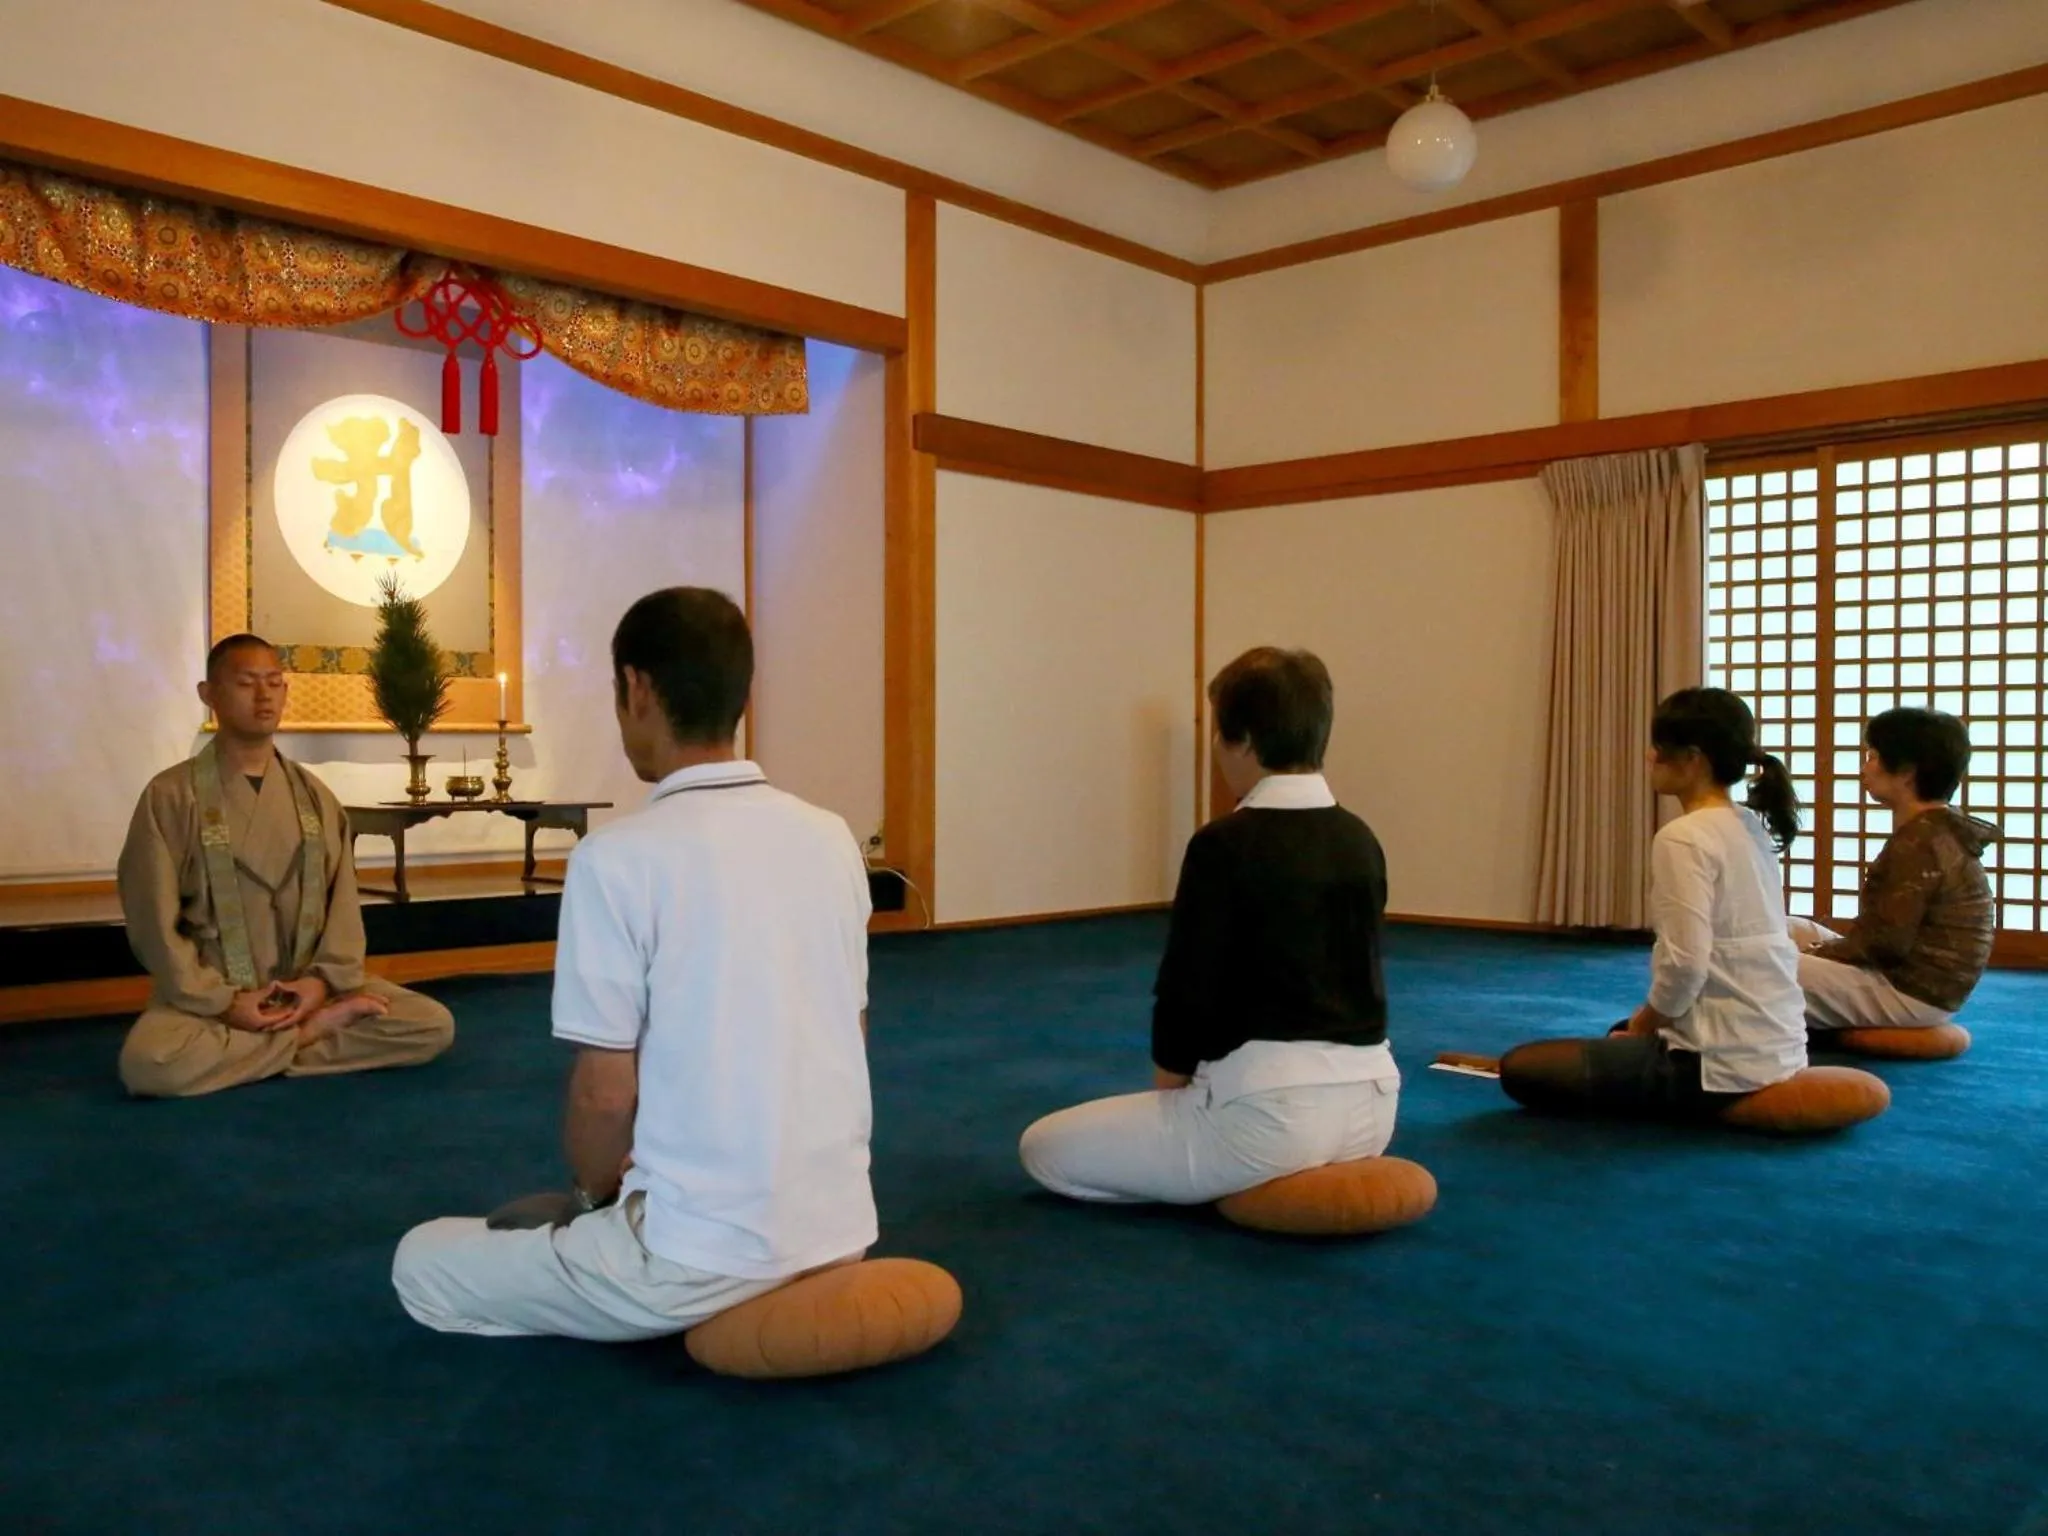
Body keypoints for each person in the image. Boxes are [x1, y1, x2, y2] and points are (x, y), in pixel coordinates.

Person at [391, 587, 875, 1340]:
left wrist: (589, 1200)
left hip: (688, 1256)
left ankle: (681, 1283)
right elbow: (852, 1033)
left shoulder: (615, 860)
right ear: (741, 692)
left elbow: (605, 1098)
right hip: (842, 1231)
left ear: (637, 689)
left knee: (419, 1261)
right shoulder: (832, 837)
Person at [1018, 646, 1400, 1206]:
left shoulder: (1224, 844)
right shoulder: (1361, 839)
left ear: (1243, 740)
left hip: (1268, 1119)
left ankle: (1231, 1179)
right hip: (1374, 1113)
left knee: (1043, 1148)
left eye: (1220, 735)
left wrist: (1175, 1098)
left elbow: (1187, 989)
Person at [115, 634, 454, 1098]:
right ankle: (308, 1037)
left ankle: (258, 1049)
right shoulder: (171, 797)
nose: (264, 695)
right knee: (151, 1064)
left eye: (274, 682)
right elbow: (152, 921)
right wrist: (224, 1002)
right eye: (247, 682)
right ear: (208, 695)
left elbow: (343, 912)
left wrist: (319, 985)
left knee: (431, 1025)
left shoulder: (317, 798)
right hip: (215, 998)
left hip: (308, 989)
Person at [1498, 688, 1807, 1121]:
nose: (1649, 756)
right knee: (1616, 1035)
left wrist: (1643, 1026)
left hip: (1712, 1063)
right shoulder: (1748, 825)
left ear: (1693, 758)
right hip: (1780, 1047)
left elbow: (1686, 965)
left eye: (1659, 749)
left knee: (1522, 1068)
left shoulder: (1684, 837)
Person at [1789, 707, 1999, 1033]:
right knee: (1790, 928)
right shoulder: (1932, 828)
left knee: (1760, 965)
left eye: (1873, 756)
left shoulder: (1922, 842)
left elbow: (1883, 945)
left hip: (1911, 991)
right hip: (1907, 977)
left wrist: (1816, 952)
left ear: (1907, 774)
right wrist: (1816, 949)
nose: (1864, 768)